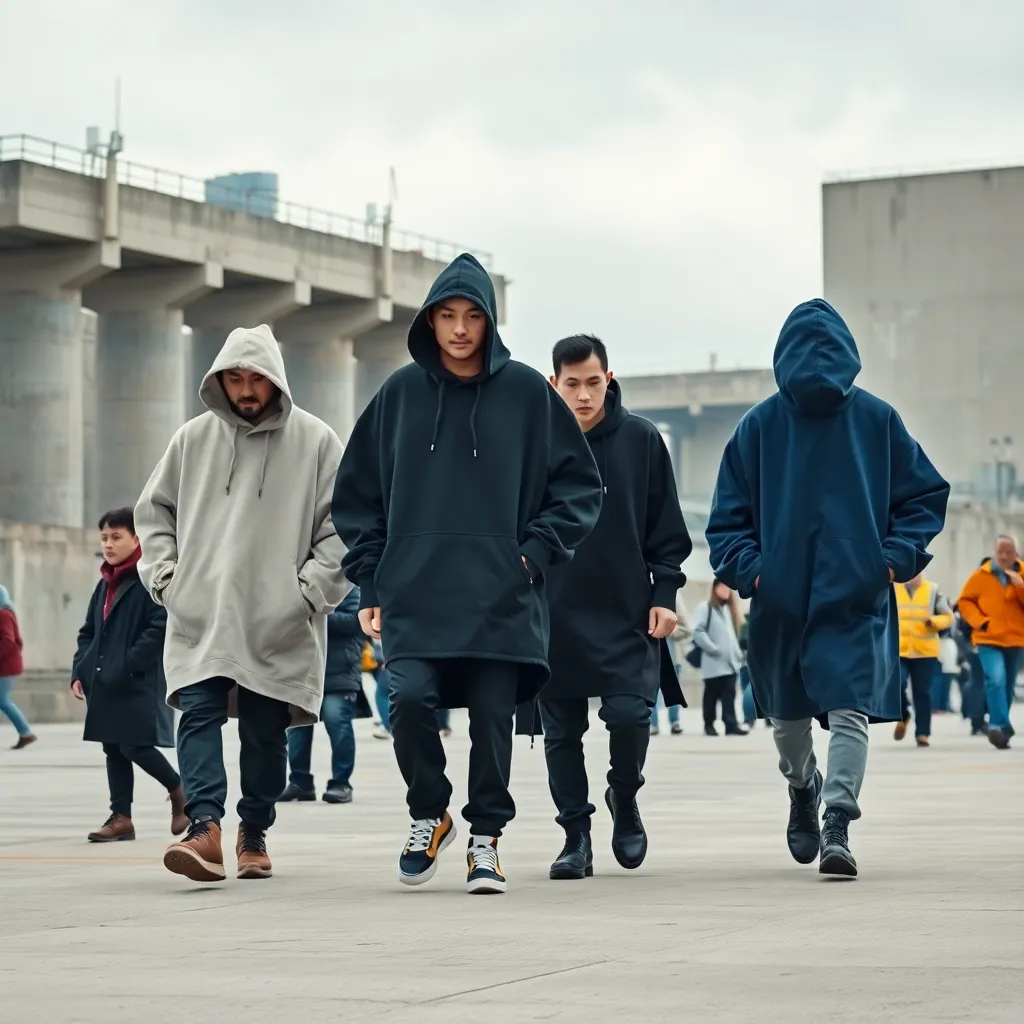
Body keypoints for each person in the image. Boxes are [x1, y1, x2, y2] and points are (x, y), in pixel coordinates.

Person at [332, 254, 602, 895]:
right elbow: (357, 495)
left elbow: (580, 487)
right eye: (447, 316)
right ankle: (430, 812)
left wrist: (534, 553)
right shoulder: (398, 394)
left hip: (501, 592)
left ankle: (486, 839)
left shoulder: (528, 393)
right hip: (413, 590)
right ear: (429, 320)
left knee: (490, 718)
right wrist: (369, 580)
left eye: (472, 316)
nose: (459, 329)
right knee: (410, 700)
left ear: (490, 322)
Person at [707, 299, 948, 878]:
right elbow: (727, 522)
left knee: (849, 712)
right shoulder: (758, 428)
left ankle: (837, 819)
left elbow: (922, 496)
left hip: (854, 597)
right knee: (787, 722)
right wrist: (756, 571)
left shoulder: (877, 421)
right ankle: (803, 787)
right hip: (782, 603)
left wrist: (888, 561)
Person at [135, 323, 349, 882]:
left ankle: (253, 829)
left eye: (256, 377)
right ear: (219, 380)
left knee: (263, 732)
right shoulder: (191, 440)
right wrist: (167, 582)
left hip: (277, 618)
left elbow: (344, 529)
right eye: (234, 377)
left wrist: (307, 595)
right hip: (201, 611)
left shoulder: (318, 440)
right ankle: (204, 826)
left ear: (275, 378)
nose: (246, 388)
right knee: (198, 715)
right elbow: (154, 515)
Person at [540, 334, 691, 880]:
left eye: (594, 382)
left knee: (630, 716)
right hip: (552, 611)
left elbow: (666, 527)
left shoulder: (641, 439)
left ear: (610, 378)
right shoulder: (534, 443)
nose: (584, 395)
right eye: (573, 384)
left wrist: (666, 592)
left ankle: (623, 798)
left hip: (627, 610)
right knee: (561, 732)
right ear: (553, 383)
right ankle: (575, 836)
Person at [70, 508, 185, 841]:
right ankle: (121, 817)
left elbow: (160, 626)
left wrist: (130, 664)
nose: (108, 544)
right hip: (103, 680)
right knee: (113, 748)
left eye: (116, 537)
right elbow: (88, 631)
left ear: (137, 539)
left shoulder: (148, 578)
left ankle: (178, 790)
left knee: (136, 745)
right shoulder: (105, 583)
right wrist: (81, 669)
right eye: (104, 537)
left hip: (137, 681)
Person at [278, 587, 369, 804]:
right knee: (297, 729)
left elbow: (352, 621)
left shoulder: (347, 586)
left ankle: (341, 782)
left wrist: (313, 613)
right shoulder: (298, 583)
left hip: (339, 671)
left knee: (338, 724)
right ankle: (300, 782)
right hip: (303, 670)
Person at [957, 535, 1024, 749]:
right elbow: (965, 601)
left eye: (1009, 552)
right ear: (995, 552)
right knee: (995, 679)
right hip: (988, 638)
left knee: (1008, 685)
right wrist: (980, 622)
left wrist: (1020, 586)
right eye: (1000, 551)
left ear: (1016, 554)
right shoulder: (981, 575)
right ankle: (998, 725)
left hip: (1016, 639)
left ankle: (1002, 728)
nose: (1004, 556)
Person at [893, 573, 952, 747]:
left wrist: (935, 621)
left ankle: (923, 733)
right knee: (896, 684)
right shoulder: (893, 589)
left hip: (925, 651)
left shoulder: (933, 590)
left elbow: (949, 616)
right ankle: (904, 714)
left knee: (922, 692)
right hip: (898, 650)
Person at [691, 580, 748, 737]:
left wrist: (739, 657)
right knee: (711, 695)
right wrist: (712, 648)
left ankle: (731, 724)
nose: (725, 590)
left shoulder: (729, 610)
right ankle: (709, 725)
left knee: (730, 694)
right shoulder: (706, 608)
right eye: (721, 587)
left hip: (730, 664)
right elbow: (696, 630)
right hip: (713, 662)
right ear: (714, 589)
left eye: (727, 587)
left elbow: (732, 637)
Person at [0, 584, 35, 750]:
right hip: (6, 665)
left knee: (3, 700)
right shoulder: (5, 612)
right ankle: (25, 732)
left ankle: (26, 732)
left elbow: (8, 641)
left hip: (5, 666)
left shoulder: (3, 615)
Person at [654, 591, 692, 736]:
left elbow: (687, 627)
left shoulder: (672, 593)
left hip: (670, 652)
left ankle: (675, 722)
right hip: (648, 652)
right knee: (650, 691)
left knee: (672, 688)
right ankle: (653, 724)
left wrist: (670, 629)